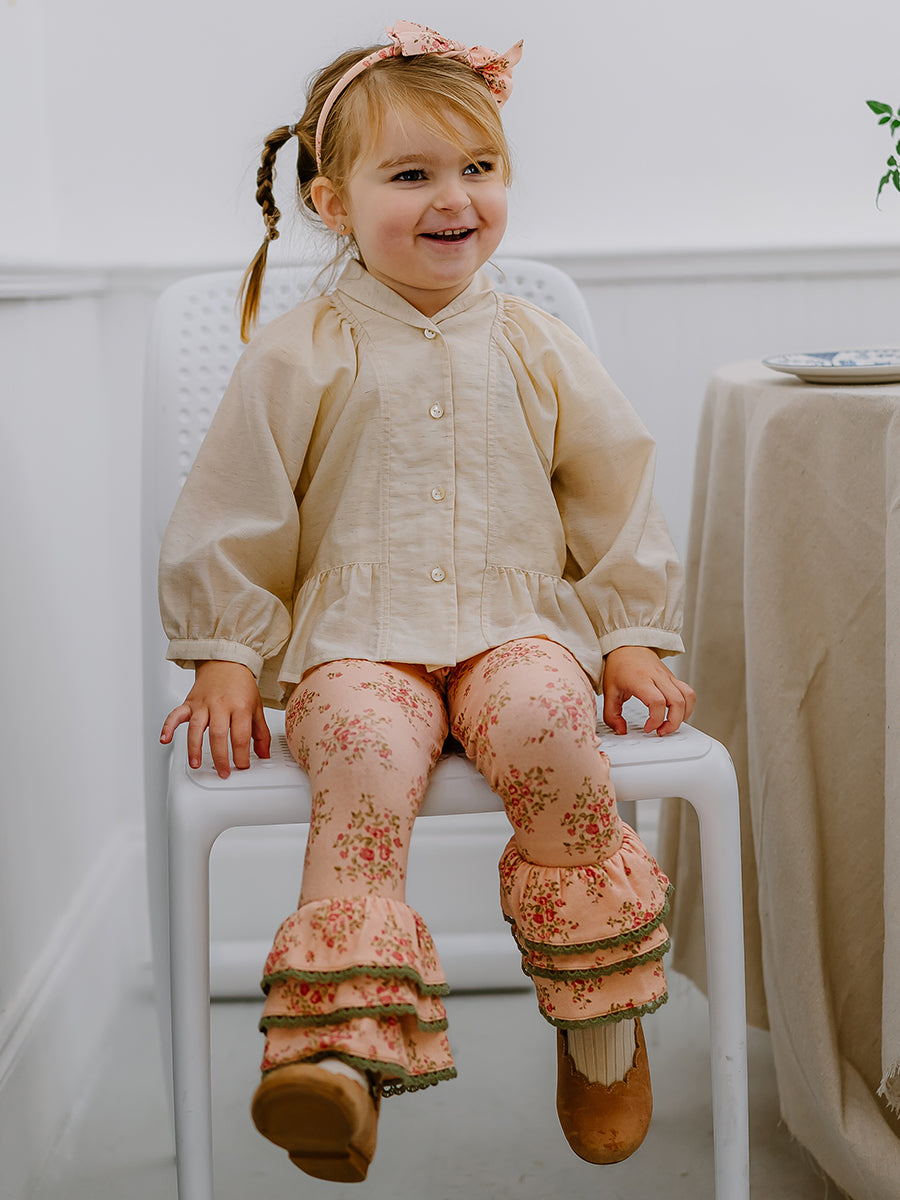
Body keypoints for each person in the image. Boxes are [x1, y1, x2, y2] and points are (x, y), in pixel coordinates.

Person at [158, 19, 695, 1184]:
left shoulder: (538, 343)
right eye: (411, 175)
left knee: (553, 729)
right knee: (358, 761)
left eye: (478, 168)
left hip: (517, 630)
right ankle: (334, 1060)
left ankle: (602, 1020)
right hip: (360, 644)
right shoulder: (299, 353)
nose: (454, 199)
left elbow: (613, 492)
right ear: (332, 202)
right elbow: (238, 506)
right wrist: (227, 652)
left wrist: (630, 635)